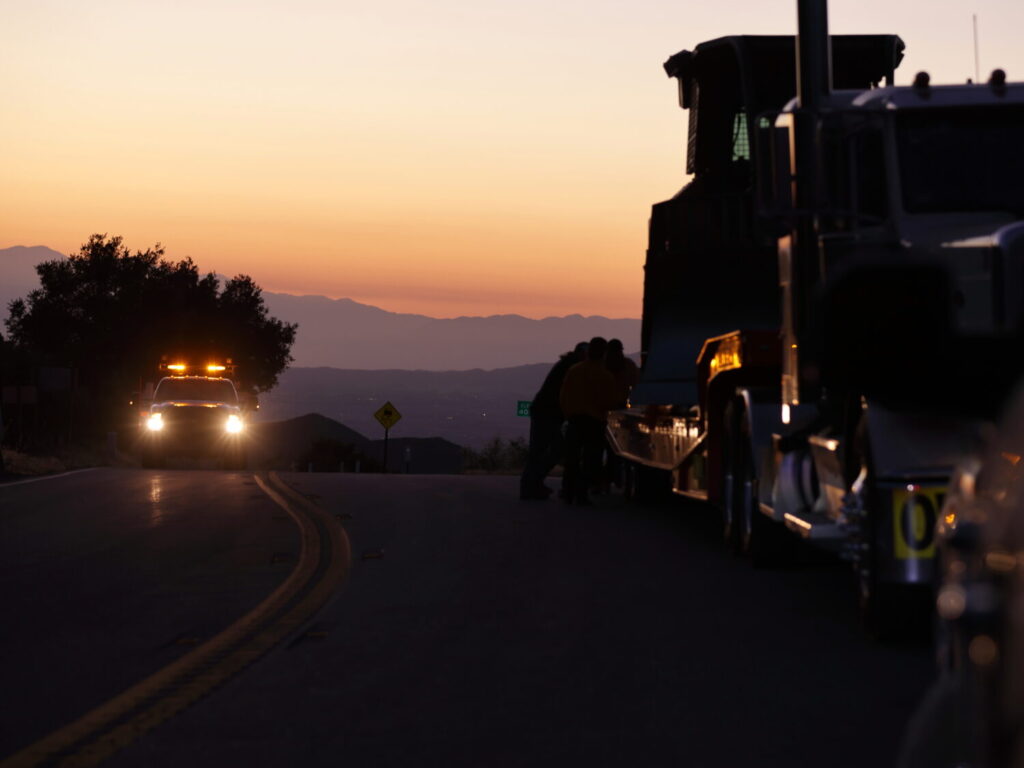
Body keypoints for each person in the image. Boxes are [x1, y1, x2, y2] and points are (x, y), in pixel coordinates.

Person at [519, 341, 589, 500]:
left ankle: (532, 484)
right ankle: (531, 485)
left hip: (545, 412)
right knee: (548, 449)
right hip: (547, 413)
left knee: (543, 450)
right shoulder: (571, 368)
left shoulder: (566, 365)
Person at [559, 337, 619, 505]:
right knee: (590, 459)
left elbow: (564, 396)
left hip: (575, 420)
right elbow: (610, 402)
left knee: (572, 458)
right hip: (594, 422)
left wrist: (568, 414)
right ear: (604, 354)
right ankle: (581, 494)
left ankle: (567, 491)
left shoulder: (574, 370)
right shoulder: (605, 376)